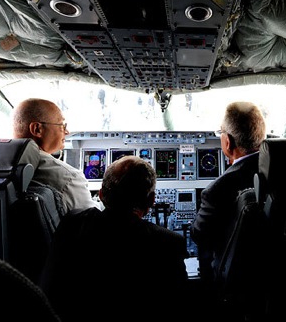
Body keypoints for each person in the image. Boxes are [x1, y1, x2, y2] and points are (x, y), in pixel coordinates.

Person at [39, 155, 189, 321]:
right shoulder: (168, 244)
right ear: (151, 200)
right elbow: (179, 308)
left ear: (101, 194)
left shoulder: (72, 224)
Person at [191, 101, 266, 314]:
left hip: (236, 289)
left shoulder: (218, 189)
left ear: (227, 142)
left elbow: (199, 236)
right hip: (280, 280)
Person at [12, 98, 99, 214]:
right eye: (62, 125)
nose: (67, 132)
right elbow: (93, 221)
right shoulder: (68, 178)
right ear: (37, 129)